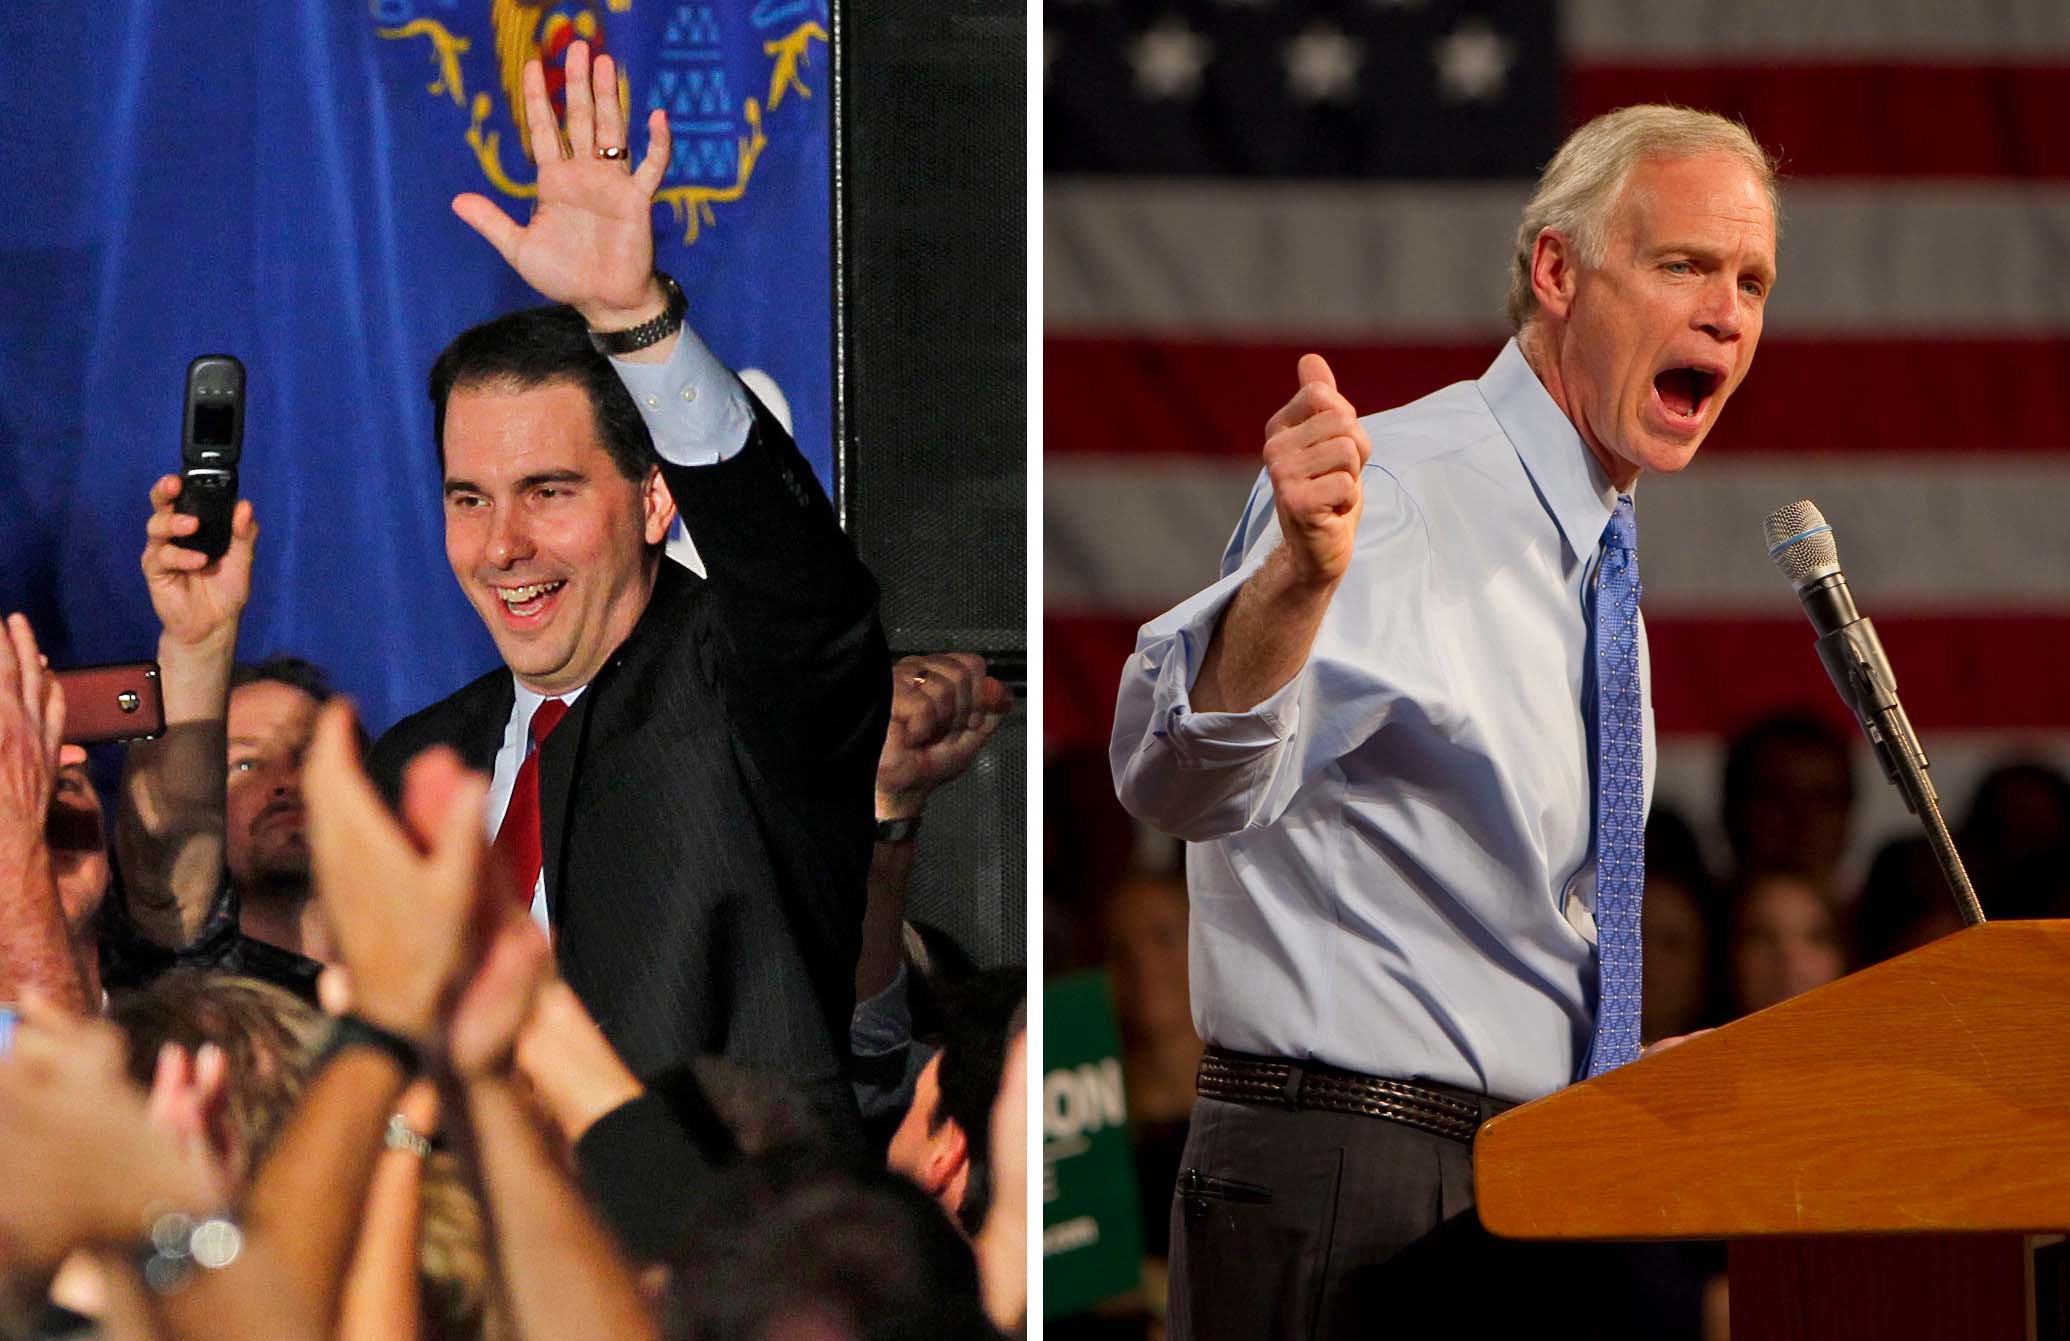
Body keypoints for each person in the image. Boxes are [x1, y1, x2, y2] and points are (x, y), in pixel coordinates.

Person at [1109, 104, 1779, 1336]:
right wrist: (1293, 585)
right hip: (1349, 1176)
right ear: (1558, 270)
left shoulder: (1591, 544)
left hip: (1519, 1186)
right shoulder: (1404, 493)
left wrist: (1619, 1067)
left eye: (1751, 281)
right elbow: (1181, 788)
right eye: (1683, 264)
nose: (1727, 314)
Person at [364, 40, 888, 1124]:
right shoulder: (417, 765)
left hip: (721, 1273)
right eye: (470, 499)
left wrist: (635, 321)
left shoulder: (741, 687)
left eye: (549, 492)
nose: (503, 545)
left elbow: (806, 600)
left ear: (655, 503)